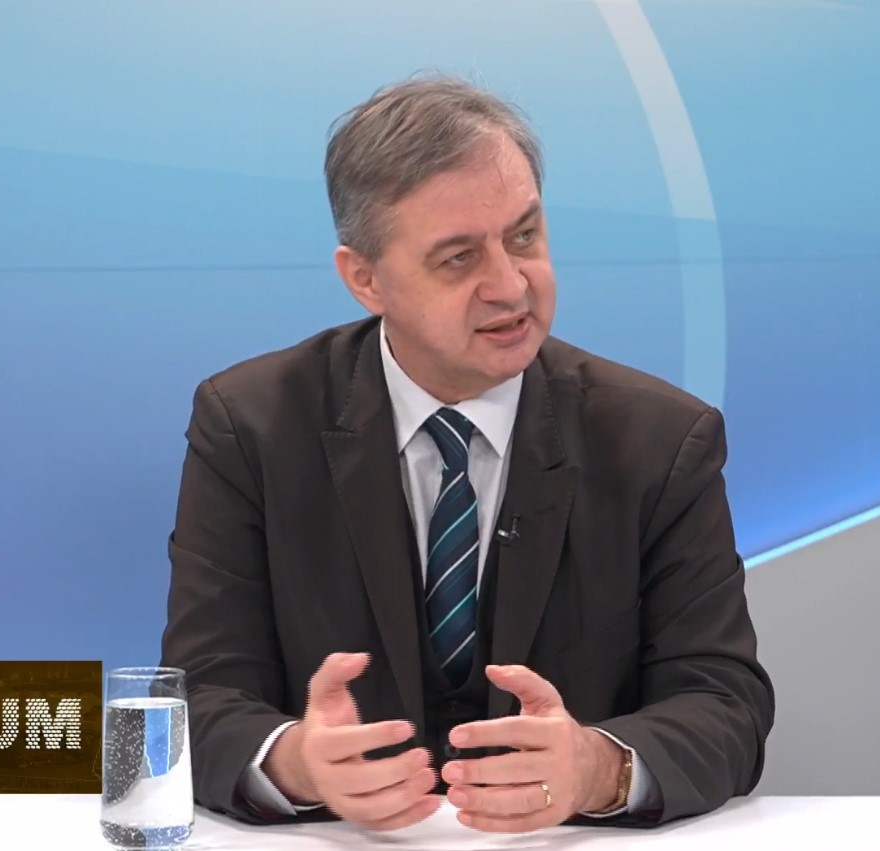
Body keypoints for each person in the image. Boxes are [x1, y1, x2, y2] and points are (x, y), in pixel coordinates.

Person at [161, 74, 773, 833]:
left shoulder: (660, 440)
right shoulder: (251, 425)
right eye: (458, 258)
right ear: (365, 279)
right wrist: (294, 761)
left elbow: (725, 703)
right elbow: (197, 694)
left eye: (524, 236)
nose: (511, 286)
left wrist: (597, 767)